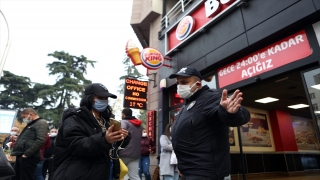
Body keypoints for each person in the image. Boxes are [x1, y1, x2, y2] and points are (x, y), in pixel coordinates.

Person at [168, 66, 251, 180]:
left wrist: (230, 113)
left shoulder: (210, 97)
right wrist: (182, 166)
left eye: (184, 82)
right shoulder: (186, 107)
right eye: (178, 83)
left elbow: (242, 115)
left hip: (205, 173)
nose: (180, 86)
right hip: (188, 171)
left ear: (198, 84)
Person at [53, 83, 131, 180]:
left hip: (106, 170)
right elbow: (77, 145)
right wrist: (105, 139)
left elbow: (114, 146)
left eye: (106, 98)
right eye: (100, 97)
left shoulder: (107, 120)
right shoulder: (74, 119)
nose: (104, 100)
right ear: (89, 98)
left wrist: (122, 137)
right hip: (81, 173)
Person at [11, 108, 49, 180]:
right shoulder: (32, 124)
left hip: (29, 156)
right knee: (16, 177)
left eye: (24, 117)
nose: (23, 119)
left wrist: (27, 153)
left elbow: (41, 140)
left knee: (25, 177)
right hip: (22, 154)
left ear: (30, 114)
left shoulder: (41, 123)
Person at [119, 108, 143, 180]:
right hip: (135, 155)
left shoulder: (124, 122)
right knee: (134, 176)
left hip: (123, 153)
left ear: (123, 114)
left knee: (121, 176)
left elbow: (121, 134)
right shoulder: (139, 125)